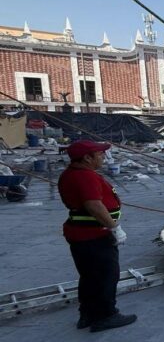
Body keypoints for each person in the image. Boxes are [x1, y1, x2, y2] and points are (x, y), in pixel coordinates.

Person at [58, 140, 137, 332]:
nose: (103, 157)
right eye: (100, 154)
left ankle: (88, 314)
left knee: (89, 277)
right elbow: (94, 205)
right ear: (87, 158)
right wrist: (114, 228)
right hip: (94, 235)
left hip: (81, 235)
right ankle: (105, 316)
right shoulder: (85, 176)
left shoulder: (71, 173)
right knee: (106, 276)